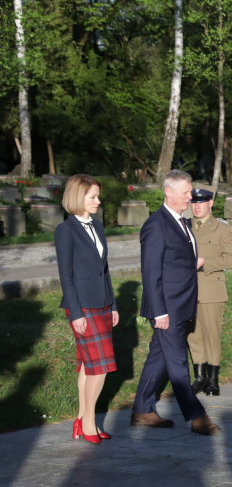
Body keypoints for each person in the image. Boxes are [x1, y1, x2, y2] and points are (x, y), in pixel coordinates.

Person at [131, 170, 221, 435]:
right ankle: (197, 417)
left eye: (190, 191)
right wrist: (158, 312)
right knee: (178, 361)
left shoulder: (183, 222)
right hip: (166, 308)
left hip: (181, 305)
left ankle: (142, 410)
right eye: (185, 192)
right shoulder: (156, 224)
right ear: (168, 192)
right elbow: (151, 273)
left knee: (158, 358)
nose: (190, 197)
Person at [55, 174, 119, 444]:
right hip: (82, 306)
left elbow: (104, 271)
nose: (98, 200)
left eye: (97, 196)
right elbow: (65, 275)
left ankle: (82, 419)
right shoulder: (65, 230)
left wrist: (113, 304)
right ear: (77, 197)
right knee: (100, 367)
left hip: (102, 303)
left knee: (87, 365)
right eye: (93, 196)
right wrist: (77, 312)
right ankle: (89, 423)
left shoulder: (98, 227)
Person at [187, 184, 232, 396]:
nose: (197, 206)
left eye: (201, 202)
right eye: (194, 202)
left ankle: (213, 379)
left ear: (210, 202)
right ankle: (200, 377)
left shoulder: (222, 228)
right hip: (187, 289)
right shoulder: (184, 225)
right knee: (193, 334)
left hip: (211, 287)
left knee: (211, 334)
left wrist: (204, 261)